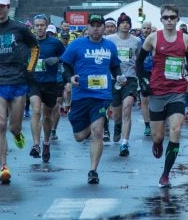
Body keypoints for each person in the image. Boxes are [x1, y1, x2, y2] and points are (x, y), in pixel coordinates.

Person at [135, 4, 188, 188]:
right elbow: (139, 62)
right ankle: (158, 143)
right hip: (157, 91)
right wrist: (143, 82)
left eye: (172, 17)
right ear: (161, 20)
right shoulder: (152, 38)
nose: (169, 20)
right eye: (166, 17)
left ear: (178, 19)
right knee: (157, 136)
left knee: (176, 130)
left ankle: (165, 174)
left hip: (177, 91)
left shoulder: (186, 40)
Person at [0, 0, 39, 184]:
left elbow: (34, 48)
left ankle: (17, 134)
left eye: (3, 6)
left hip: (18, 82)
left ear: (8, 7)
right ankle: (3, 167)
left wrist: (30, 69)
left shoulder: (20, 28)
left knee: (13, 127)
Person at [61, 14, 121, 184]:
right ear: (88, 27)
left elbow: (115, 66)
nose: (96, 28)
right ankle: (87, 126)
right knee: (80, 137)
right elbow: (65, 64)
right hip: (81, 95)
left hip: (101, 95)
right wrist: (70, 78)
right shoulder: (77, 44)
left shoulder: (110, 46)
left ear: (104, 27)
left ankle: (93, 170)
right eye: (93, 25)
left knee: (97, 131)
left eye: (99, 25)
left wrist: (119, 77)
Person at [28, 14, 66, 162]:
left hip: (50, 82)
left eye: (42, 25)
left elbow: (66, 56)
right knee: (36, 110)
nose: (39, 28)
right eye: (37, 25)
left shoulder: (55, 43)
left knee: (47, 115)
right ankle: (36, 145)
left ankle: (46, 142)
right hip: (34, 82)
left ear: (46, 26)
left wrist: (56, 59)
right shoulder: (28, 43)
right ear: (33, 27)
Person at [106, 12, 142, 156]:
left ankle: (124, 143)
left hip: (130, 79)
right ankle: (117, 125)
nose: (125, 25)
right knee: (117, 113)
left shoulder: (136, 40)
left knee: (127, 108)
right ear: (118, 25)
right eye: (122, 23)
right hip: (114, 79)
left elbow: (139, 57)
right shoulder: (110, 40)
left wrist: (137, 69)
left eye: (127, 22)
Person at [139, 20, 154, 136]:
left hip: (155, 72)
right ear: (141, 29)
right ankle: (147, 125)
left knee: (156, 98)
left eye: (148, 28)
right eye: (144, 28)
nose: (146, 30)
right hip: (143, 72)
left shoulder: (155, 40)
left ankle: (156, 121)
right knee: (144, 99)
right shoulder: (138, 42)